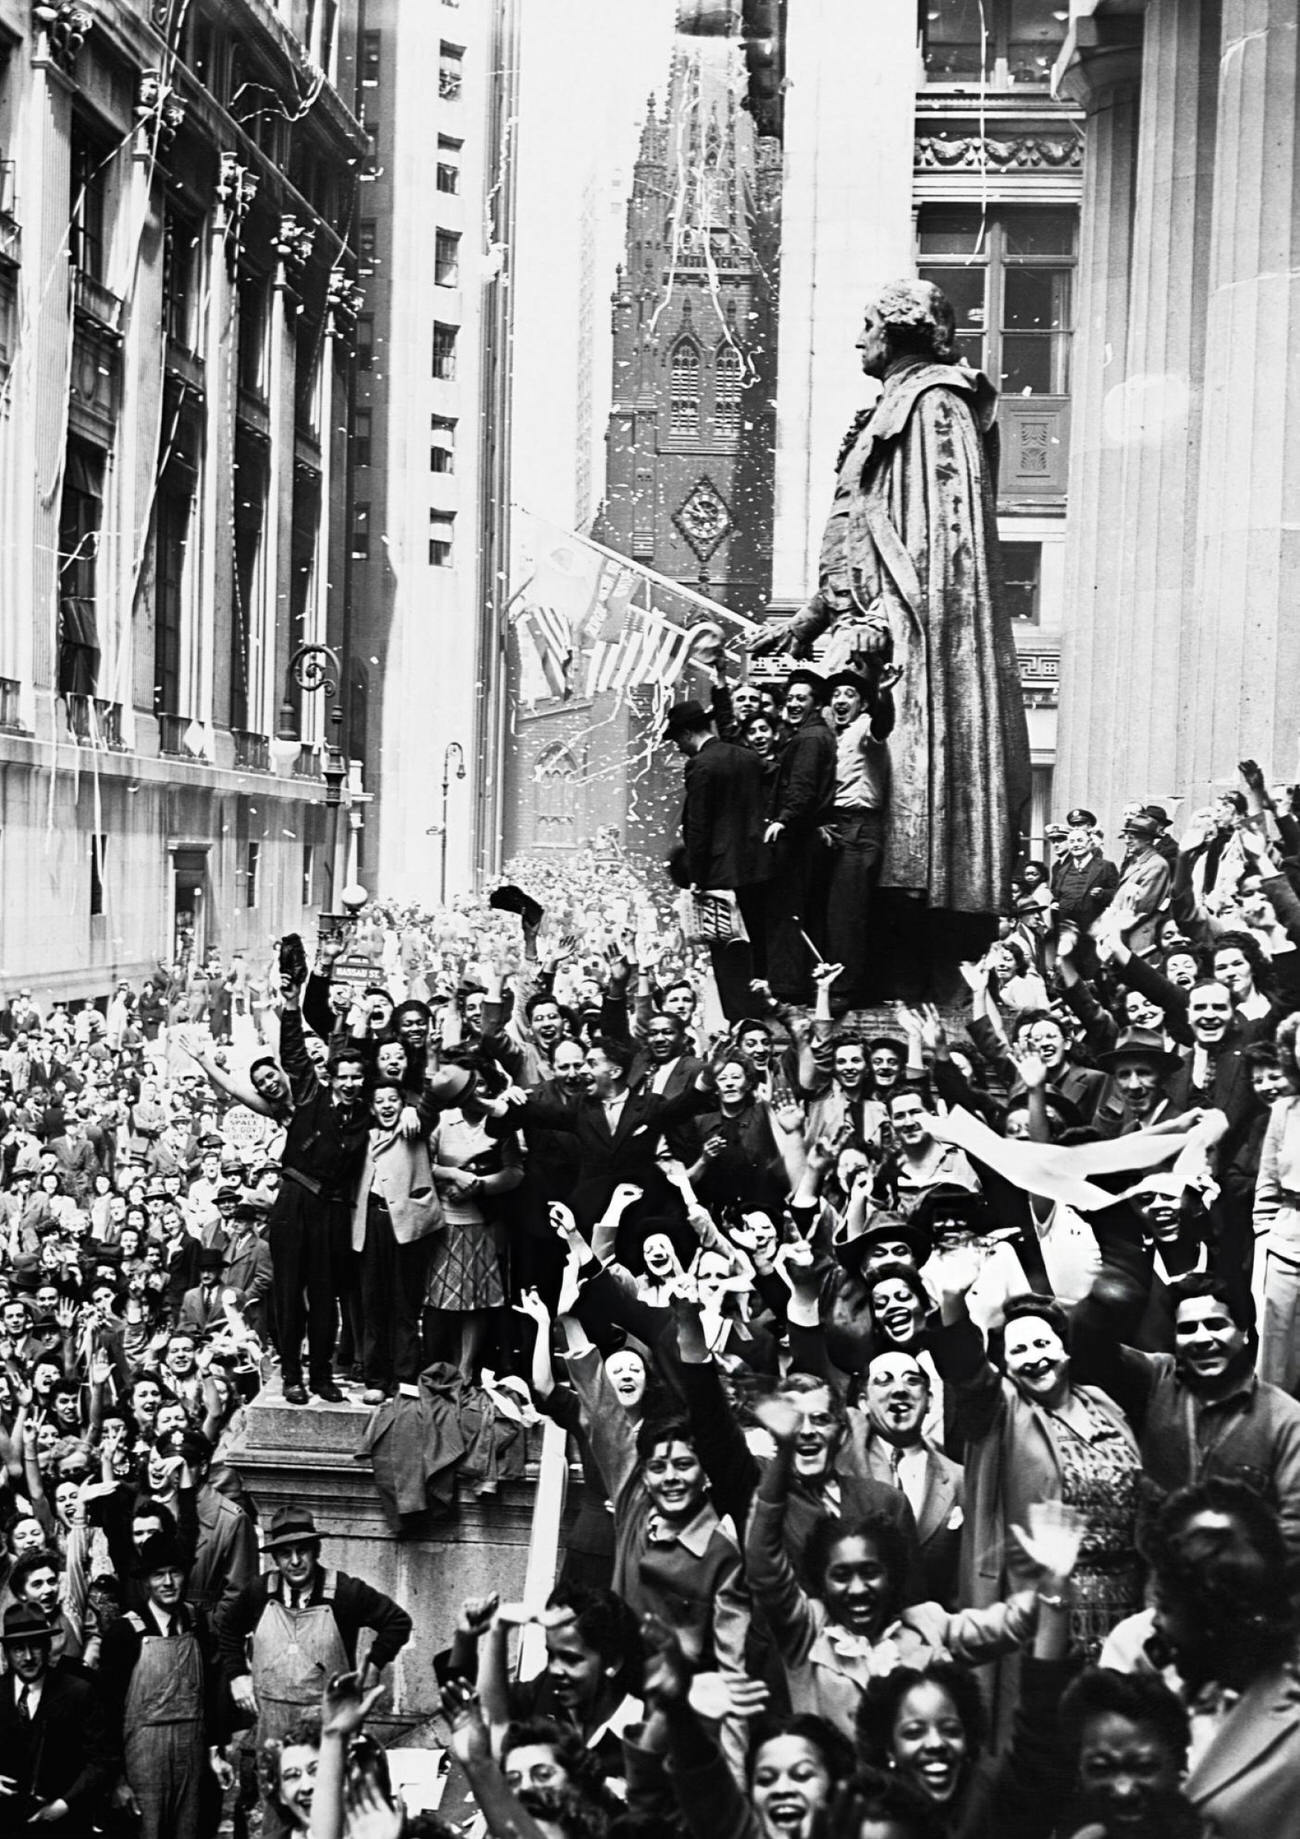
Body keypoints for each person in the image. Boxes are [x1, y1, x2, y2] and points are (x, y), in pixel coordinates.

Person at [751, 277, 1030, 970]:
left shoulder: (937, 403)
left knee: (883, 793)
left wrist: (884, 620)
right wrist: (810, 617)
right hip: (863, 637)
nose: (858, 339)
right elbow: (857, 531)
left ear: (899, 330)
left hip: (898, 646)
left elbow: (942, 544)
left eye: (868, 324)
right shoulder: (891, 408)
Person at [215, 1506, 412, 1817]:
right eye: (284, 1554)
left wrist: (372, 1665)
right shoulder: (259, 1591)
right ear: (275, 1558)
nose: (294, 1561)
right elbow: (227, 1628)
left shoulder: (344, 1592)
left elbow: (398, 1622)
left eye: (302, 1550)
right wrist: (237, 1674)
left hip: (327, 1730)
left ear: (316, 1550)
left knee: (326, 1815)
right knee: (272, 1818)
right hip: (272, 1732)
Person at [97, 1529, 231, 1839]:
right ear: (145, 1582)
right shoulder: (125, 1632)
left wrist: (216, 1750)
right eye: (159, 1575)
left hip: (192, 1757)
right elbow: (106, 1711)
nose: (168, 1582)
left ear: (185, 1576)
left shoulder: (198, 1623)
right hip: (142, 1762)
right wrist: (117, 1779)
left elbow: (212, 1695)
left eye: (175, 1573)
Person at [664, 698, 772, 1021]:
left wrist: (696, 876)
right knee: (756, 940)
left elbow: (699, 826)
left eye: (677, 741)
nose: (680, 749)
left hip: (719, 874)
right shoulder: (750, 758)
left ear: (685, 734)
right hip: (757, 867)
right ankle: (762, 1005)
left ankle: (740, 1016)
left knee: (726, 946)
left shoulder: (700, 765)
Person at [0, 1601, 114, 1835]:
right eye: (18, 1649)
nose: (28, 1657)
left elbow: (102, 1760)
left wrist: (63, 1805)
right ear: (7, 1653)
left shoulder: (78, 1692)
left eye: (35, 1647)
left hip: (64, 1823)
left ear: (47, 1646)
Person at [821, 668, 896, 1012]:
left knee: (847, 912)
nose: (840, 701)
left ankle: (845, 990)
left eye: (849, 695)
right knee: (834, 910)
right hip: (832, 826)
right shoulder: (828, 735)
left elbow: (883, 723)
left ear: (862, 703)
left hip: (859, 826)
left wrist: (883, 694)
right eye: (836, 695)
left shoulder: (865, 727)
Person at [762, 669, 837, 1004]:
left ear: (817, 703)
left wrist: (783, 820)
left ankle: (790, 988)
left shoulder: (809, 739)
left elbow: (803, 789)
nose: (792, 704)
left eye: (801, 698)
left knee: (792, 911)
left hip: (800, 838)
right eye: (790, 698)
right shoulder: (813, 735)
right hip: (808, 835)